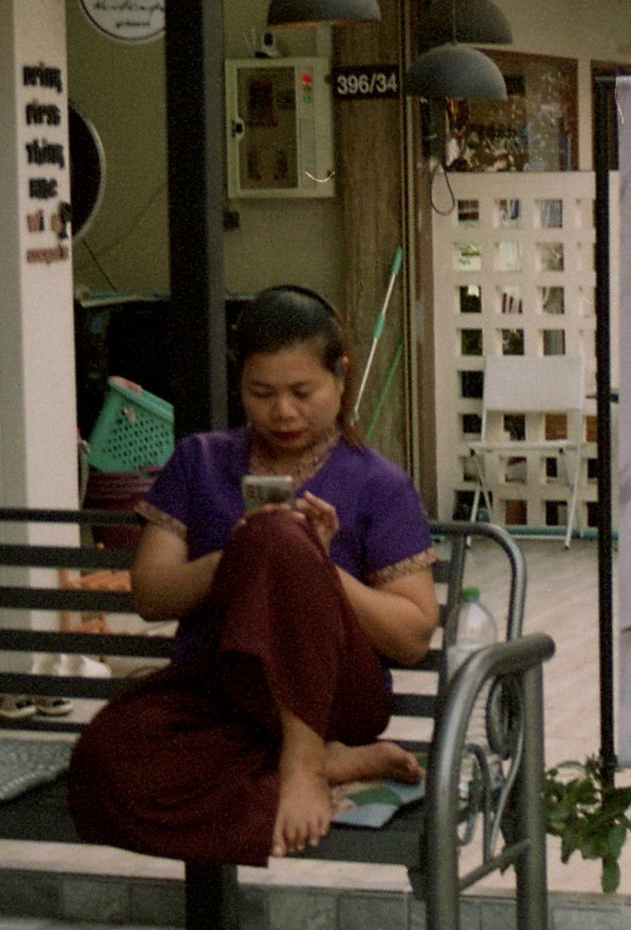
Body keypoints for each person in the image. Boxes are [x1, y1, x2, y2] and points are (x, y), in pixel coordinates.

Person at [69, 287, 434, 864]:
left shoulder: (379, 484)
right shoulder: (199, 461)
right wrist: (233, 557)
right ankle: (331, 764)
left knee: (280, 538)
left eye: (302, 392)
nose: (283, 411)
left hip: (335, 697)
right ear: (240, 386)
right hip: (226, 693)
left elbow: (412, 637)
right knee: (103, 759)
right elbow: (150, 595)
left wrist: (317, 566)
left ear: (341, 378)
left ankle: (303, 763)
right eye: (262, 393)